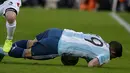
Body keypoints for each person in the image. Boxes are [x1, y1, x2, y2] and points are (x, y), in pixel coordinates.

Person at [0, 28, 122, 67]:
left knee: (31, 43)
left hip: (58, 32)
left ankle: (4, 49)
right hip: (58, 45)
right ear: (113, 52)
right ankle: (2, 51)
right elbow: (91, 64)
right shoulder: (106, 54)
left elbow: (88, 48)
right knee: (28, 53)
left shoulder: (99, 38)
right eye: (114, 57)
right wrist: (99, 64)